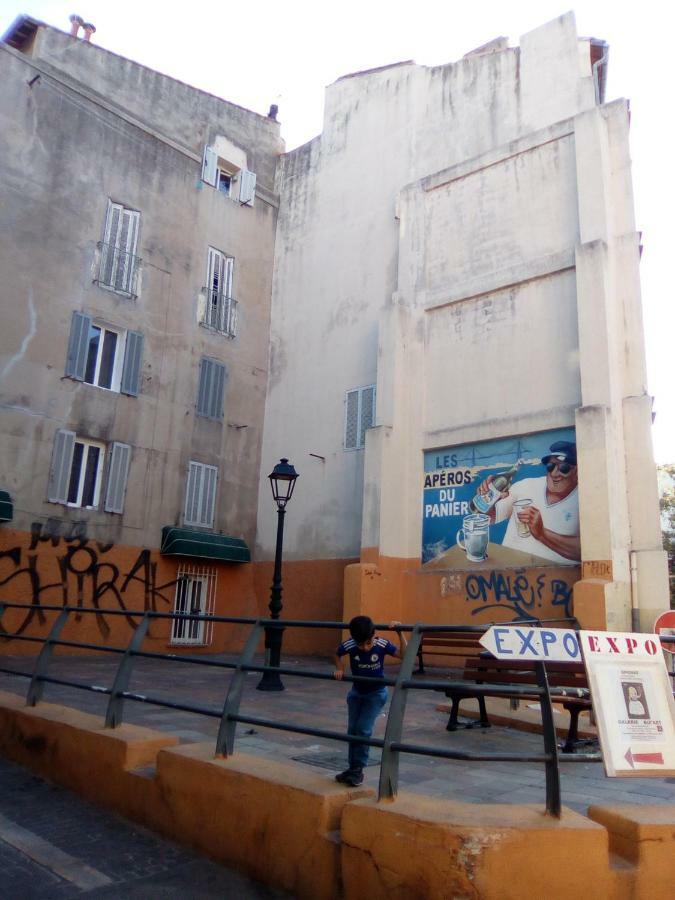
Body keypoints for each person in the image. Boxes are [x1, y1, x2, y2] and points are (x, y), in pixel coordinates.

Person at [476, 441, 580, 563]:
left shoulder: (585, 497)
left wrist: (542, 534)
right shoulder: (525, 486)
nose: (554, 473)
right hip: (507, 574)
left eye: (563, 468)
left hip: (554, 579)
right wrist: (488, 501)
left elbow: (584, 550)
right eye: (551, 466)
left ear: (577, 471)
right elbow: (489, 518)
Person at [333, 615, 406, 786]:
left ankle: (358, 770)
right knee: (352, 730)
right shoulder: (350, 645)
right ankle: (352, 768)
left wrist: (400, 632)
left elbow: (404, 655)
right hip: (356, 693)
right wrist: (340, 668)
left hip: (376, 693)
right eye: (360, 645)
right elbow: (336, 653)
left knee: (363, 729)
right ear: (353, 639)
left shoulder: (381, 644)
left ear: (374, 635)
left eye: (368, 643)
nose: (365, 648)